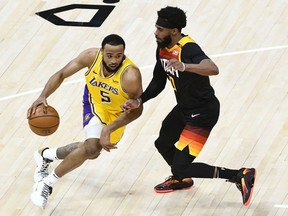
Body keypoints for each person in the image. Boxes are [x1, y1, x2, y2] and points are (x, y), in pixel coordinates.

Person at [121, 6, 256, 206]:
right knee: (162, 144)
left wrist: (185, 66)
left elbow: (212, 68)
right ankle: (181, 179)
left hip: (203, 113)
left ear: (174, 31)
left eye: (160, 29)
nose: (156, 32)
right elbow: (158, 82)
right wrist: (139, 100)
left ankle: (240, 174)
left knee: (180, 167)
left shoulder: (188, 48)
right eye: (156, 28)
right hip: (184, 109)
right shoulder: (162, 48)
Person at [27, 34, 143, 209]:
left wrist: (108, 129)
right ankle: (46, 183)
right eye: (109, 55)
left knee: (92, 153)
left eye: (119, 55)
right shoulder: (90, 56)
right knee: (92, 147)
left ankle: (46, 155)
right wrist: (43, 96)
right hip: (94, 103)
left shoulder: (130, 75)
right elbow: (61, 74)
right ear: (102, 51)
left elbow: (138, 110)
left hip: (118, 115)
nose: (114, 60)